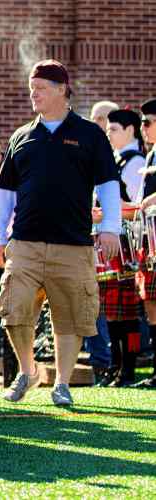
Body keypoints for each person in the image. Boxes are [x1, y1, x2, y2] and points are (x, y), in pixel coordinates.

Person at [0, 59, 120, 407]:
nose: (34, 93)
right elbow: (5, 194)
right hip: (25, 244)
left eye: (41, 88)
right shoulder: (21, 136)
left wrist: (110, 228)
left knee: (70, 317)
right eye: (32, 87)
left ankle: (61, 384)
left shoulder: (91, 135)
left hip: (74, 245)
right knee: (13, 309)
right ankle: (27, 371)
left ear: (62, 90)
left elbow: (108, 184)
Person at [94, 109, 147, 387]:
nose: (109, 133)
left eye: (113, 128)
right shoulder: (115, 160)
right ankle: (116, 366)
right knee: (112, 314)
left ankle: (128, 369)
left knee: (127, 315)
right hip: (113, 243)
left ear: (130, 130)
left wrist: (102, 214)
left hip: (128, 243)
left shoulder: (135, 162)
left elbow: (136, 209)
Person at [135, 97, 156, 388]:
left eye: (147, 122)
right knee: (150, 301)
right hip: (149, 238)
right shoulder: (151, 156)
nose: (143, 128)